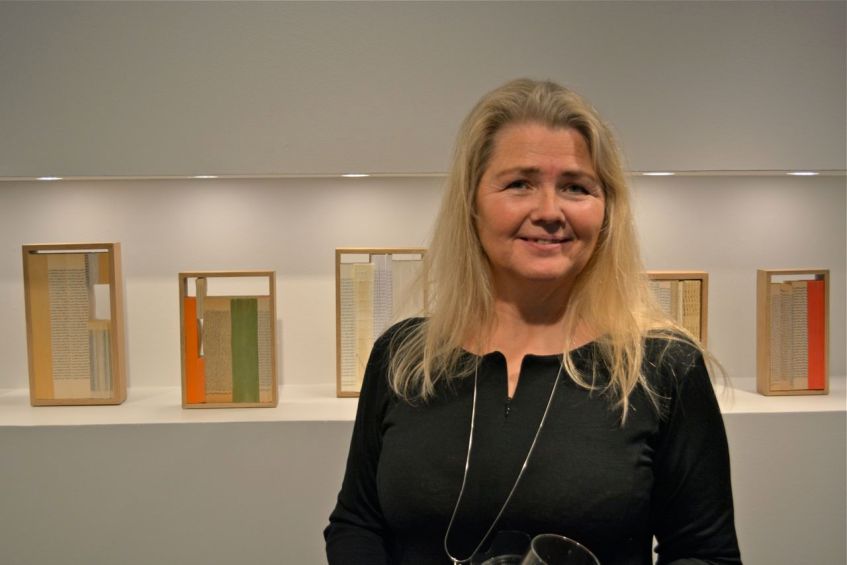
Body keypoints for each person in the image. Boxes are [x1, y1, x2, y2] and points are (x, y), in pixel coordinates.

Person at [324, 79, 741, 565]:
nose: (549, 212)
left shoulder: (663, 368)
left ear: (607, 210)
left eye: (576, 187)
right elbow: (357, 522)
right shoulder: (403, 355)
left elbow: (704, 555)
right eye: (520, 183)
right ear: (472, 203)